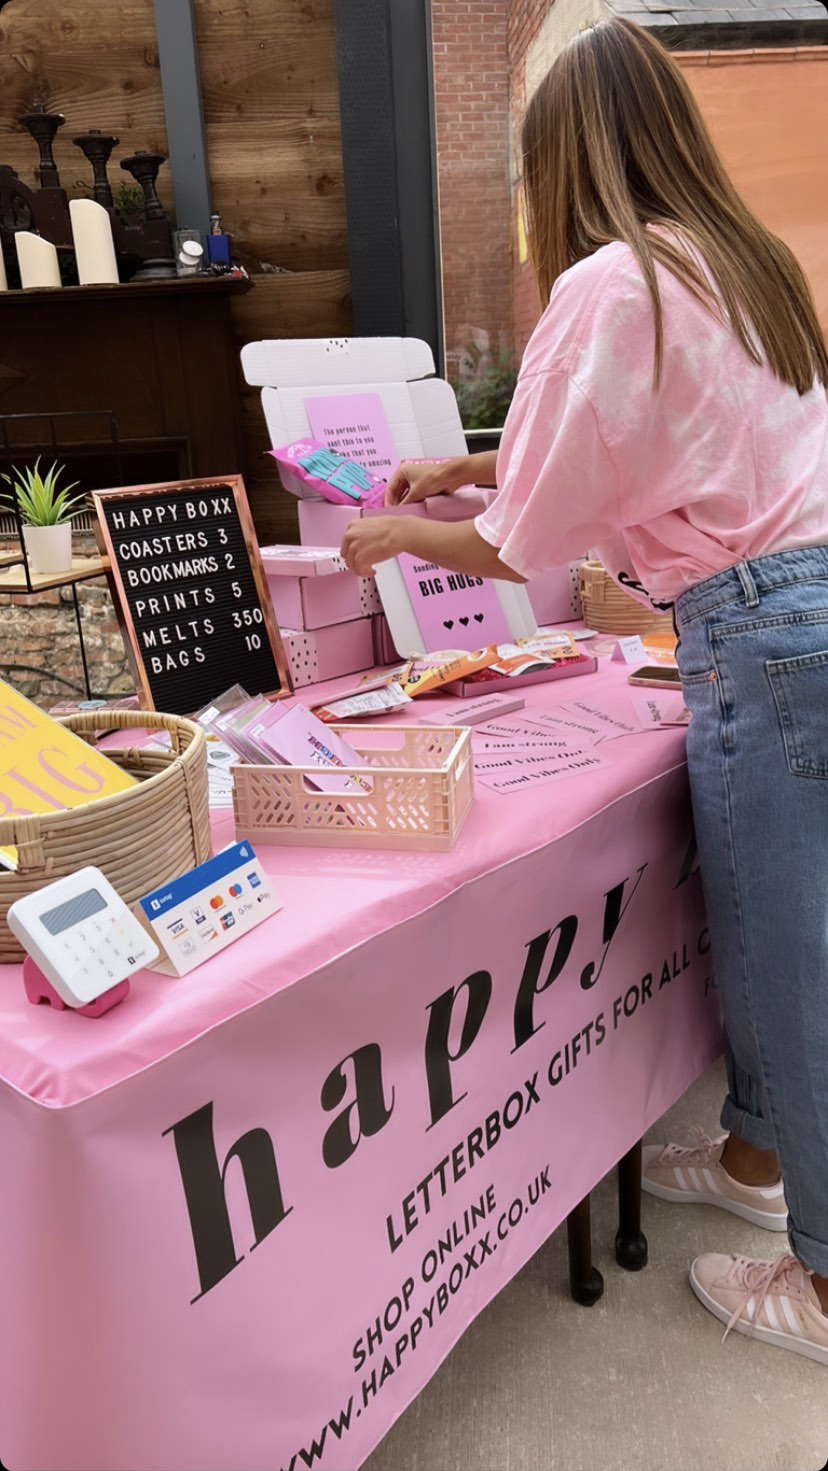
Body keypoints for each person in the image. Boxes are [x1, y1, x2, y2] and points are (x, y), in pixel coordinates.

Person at [341, 16, 828, 1367]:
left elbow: (521, 547)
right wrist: (472, 464)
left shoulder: (613, 283)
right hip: (801, 608)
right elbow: (635, 443)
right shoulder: (739, 260)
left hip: (764, 635)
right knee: (770, 930)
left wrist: (398, 531)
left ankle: (824, 1282)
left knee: (795, 962)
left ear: (562, 157)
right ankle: (754, 1159)